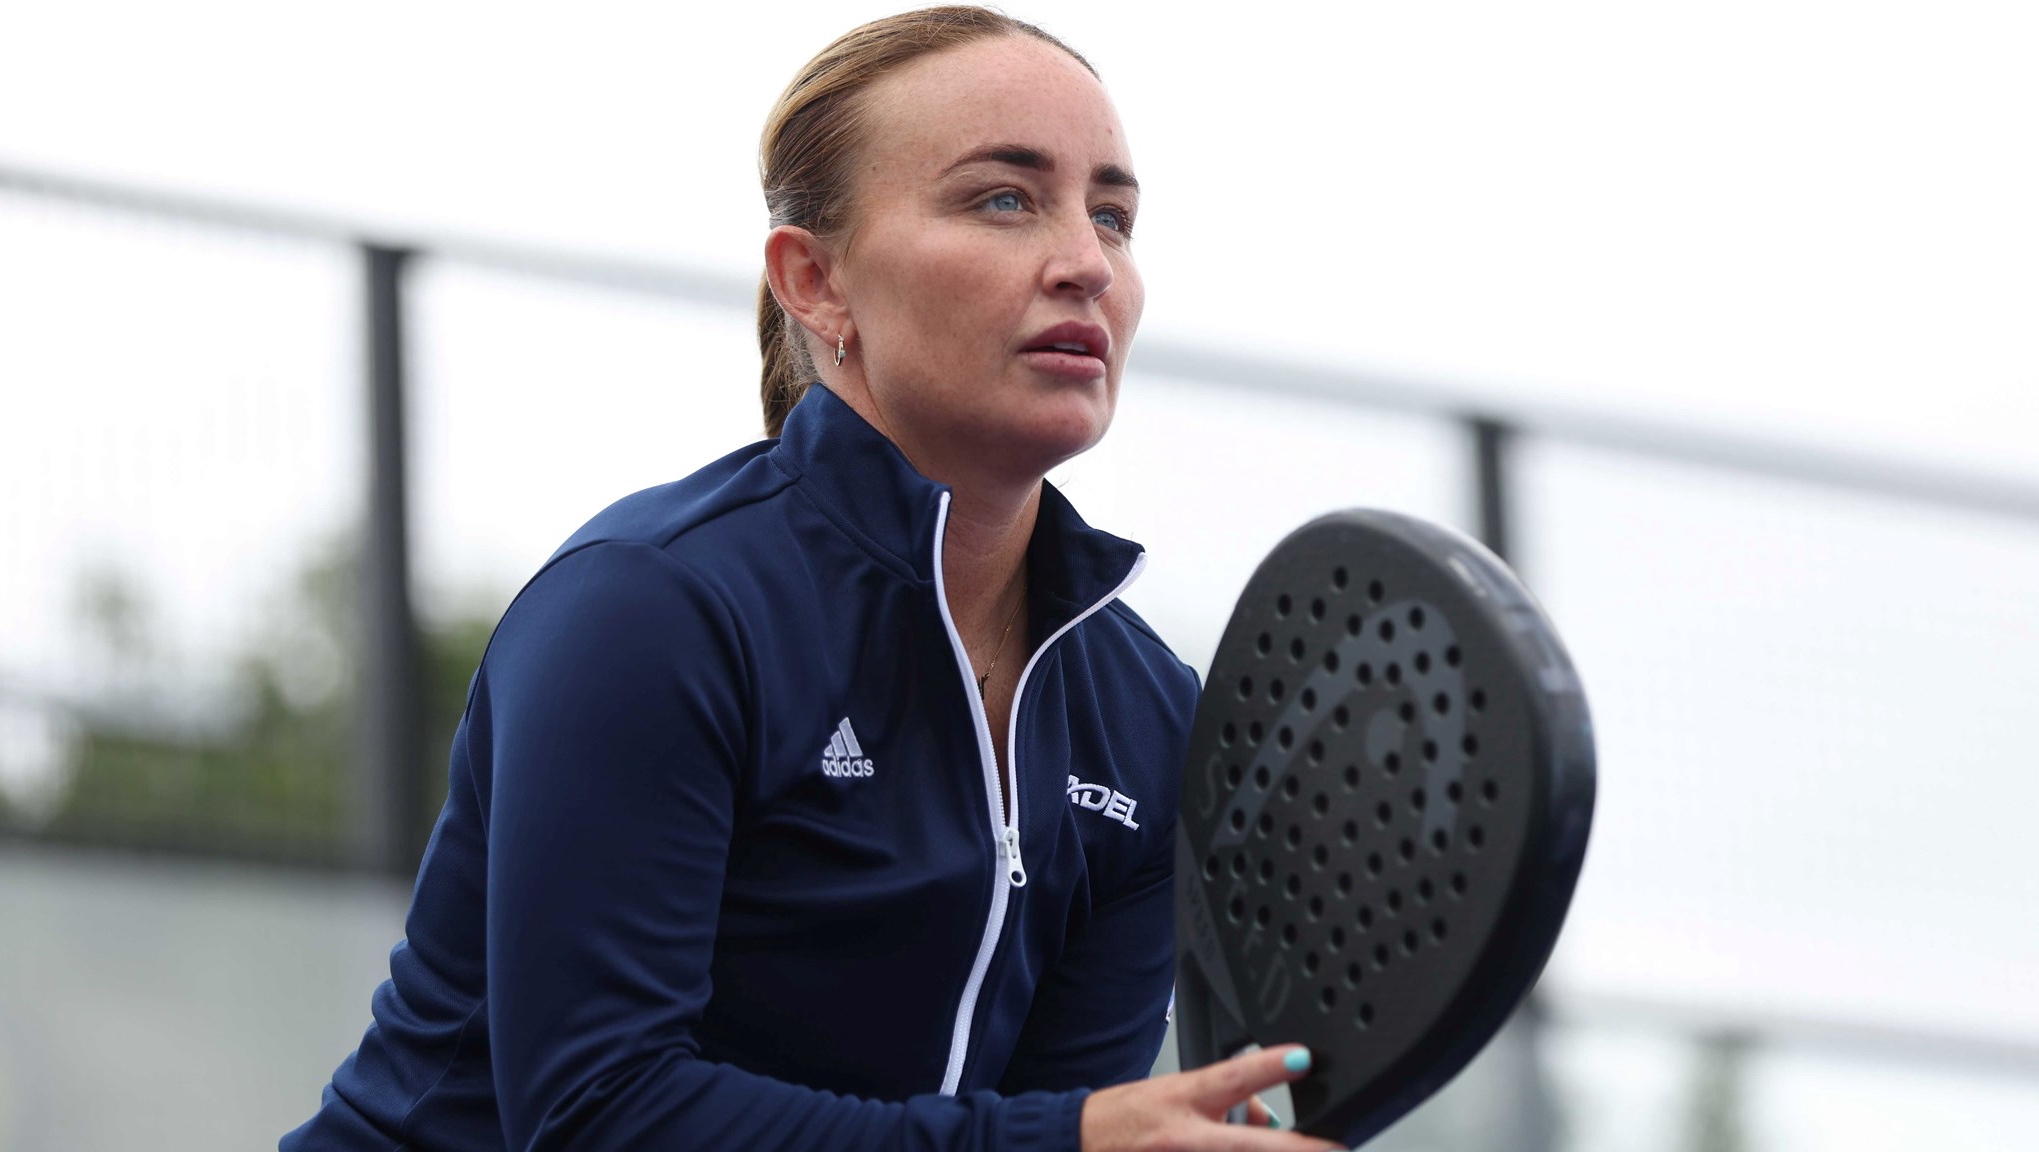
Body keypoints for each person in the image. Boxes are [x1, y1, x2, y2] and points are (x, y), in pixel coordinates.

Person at [282, 8, 1339, 1151]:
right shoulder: (649, 608)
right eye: (1002, 198)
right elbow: (600, 1117)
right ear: (816, 282)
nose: (1085, 262)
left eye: (1113, 216)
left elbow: (1061, 1121)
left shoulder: (1143, 719)